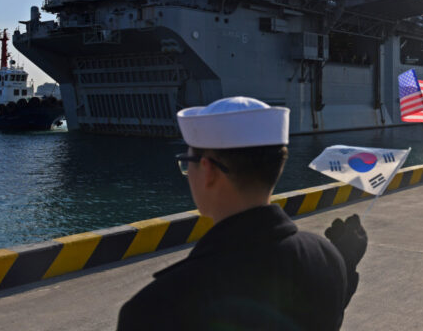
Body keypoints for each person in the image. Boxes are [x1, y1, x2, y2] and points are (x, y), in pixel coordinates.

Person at [117, 97, 367, 330]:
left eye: (187, 162)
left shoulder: (153, 308)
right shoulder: (328, 260)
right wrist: (344, 266)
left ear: (208, 171)